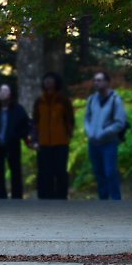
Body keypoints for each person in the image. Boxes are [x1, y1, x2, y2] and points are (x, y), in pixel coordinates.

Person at [83, 70, 127, 200]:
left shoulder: (115, 99)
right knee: (98, 173)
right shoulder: (92, 99)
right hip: (93, 142)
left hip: (108, 142)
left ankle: (115, 200)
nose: (96, 83)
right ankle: (103, 201)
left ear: (107, 82)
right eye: (95, 80)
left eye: (99, 80)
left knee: (110, 172)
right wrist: (90, 132)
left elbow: (120, 122)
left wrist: (104, 132)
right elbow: (87, 119)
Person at [32, 71, 74, 200]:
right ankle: (45, 198)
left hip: (60, 142)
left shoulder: (63, 100)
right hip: (43, 142)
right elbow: (35, 122)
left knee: (60, 171)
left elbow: (69, 119)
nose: (48, 82)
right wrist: (35, 139)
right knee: (44, 172)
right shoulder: (39, 101)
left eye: (51, 80)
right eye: (46, 80)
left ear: (56, 82)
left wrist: (69, 134)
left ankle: (61, 197)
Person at [0, 84, 30, 200]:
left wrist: (17, 136)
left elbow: (25, 125)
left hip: (12, 143)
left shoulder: (18, 109)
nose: (2, 93)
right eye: (1, 91)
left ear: (11, 94)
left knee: (15, 170)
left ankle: (16, 196)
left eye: (5, 91)